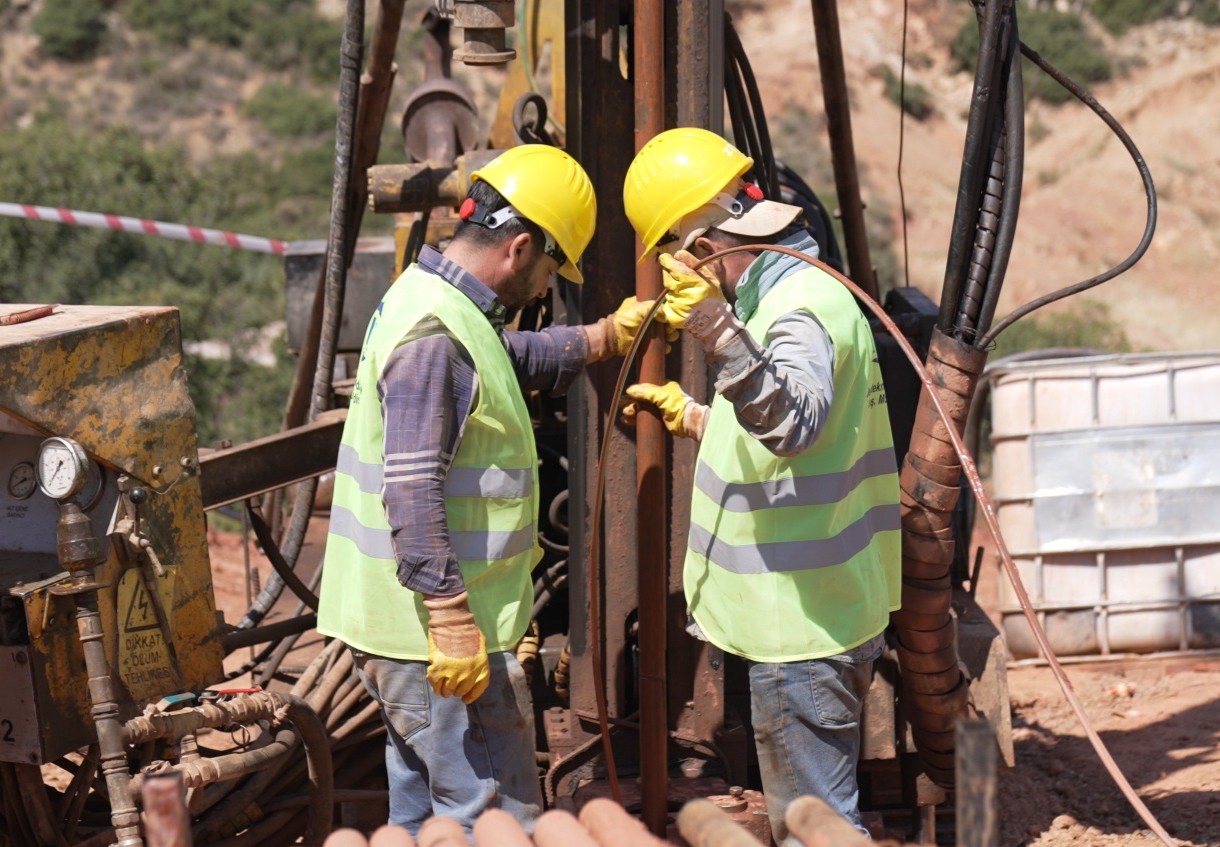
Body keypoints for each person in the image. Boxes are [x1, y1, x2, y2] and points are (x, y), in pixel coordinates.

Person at [317, 144, 656, 836]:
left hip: (401, 631)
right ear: (520, 246)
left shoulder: (430, 298)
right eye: (550, 268)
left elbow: (501, 357)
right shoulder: (436, 337)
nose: (544, 286)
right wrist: (451, 618)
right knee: (492, 818)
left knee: (419, 818)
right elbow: (411, 492)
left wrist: (604, 336)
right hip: (438, 641)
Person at [621, 127, 901, 841]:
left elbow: (796, 423)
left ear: (704, 243)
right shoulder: (803, 292)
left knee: (818, 828)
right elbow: (805, 432)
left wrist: (713, 327)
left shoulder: (797, 308)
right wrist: (697, 418)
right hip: (823, 611)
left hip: (800, 627)